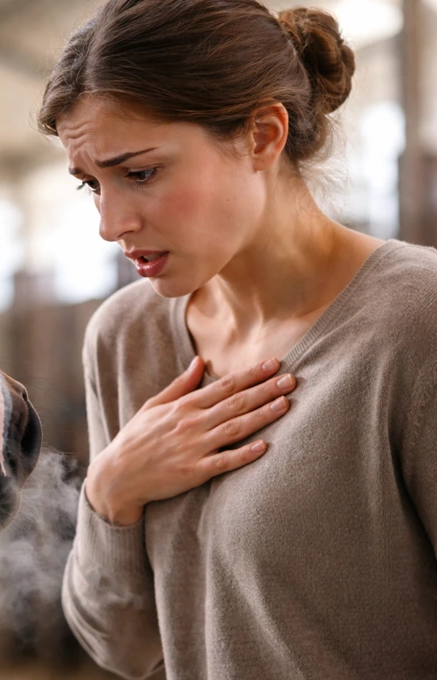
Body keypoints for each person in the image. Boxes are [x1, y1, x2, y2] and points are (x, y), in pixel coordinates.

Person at [38, 1, 437, 678]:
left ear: (262, 135)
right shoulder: (124, 338)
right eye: (91, 185)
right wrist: (109, 492)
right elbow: (126, 647)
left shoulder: (416, 324)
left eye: (139, 174)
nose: (110, 224)